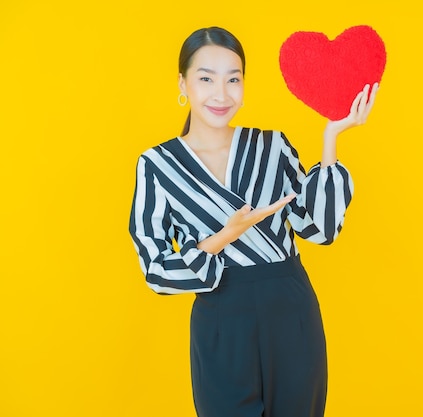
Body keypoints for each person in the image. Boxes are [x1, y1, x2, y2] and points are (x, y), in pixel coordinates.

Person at [129, 26, 378, 417]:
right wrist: (224, 236)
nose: (221, 93)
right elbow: (156, 271)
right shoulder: (158, 166)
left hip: (290, 310)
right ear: (183, 83)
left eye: (234, 79)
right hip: (221, 318)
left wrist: (332, 137)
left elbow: (319, 228)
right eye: (206, 78)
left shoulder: (272, 146)